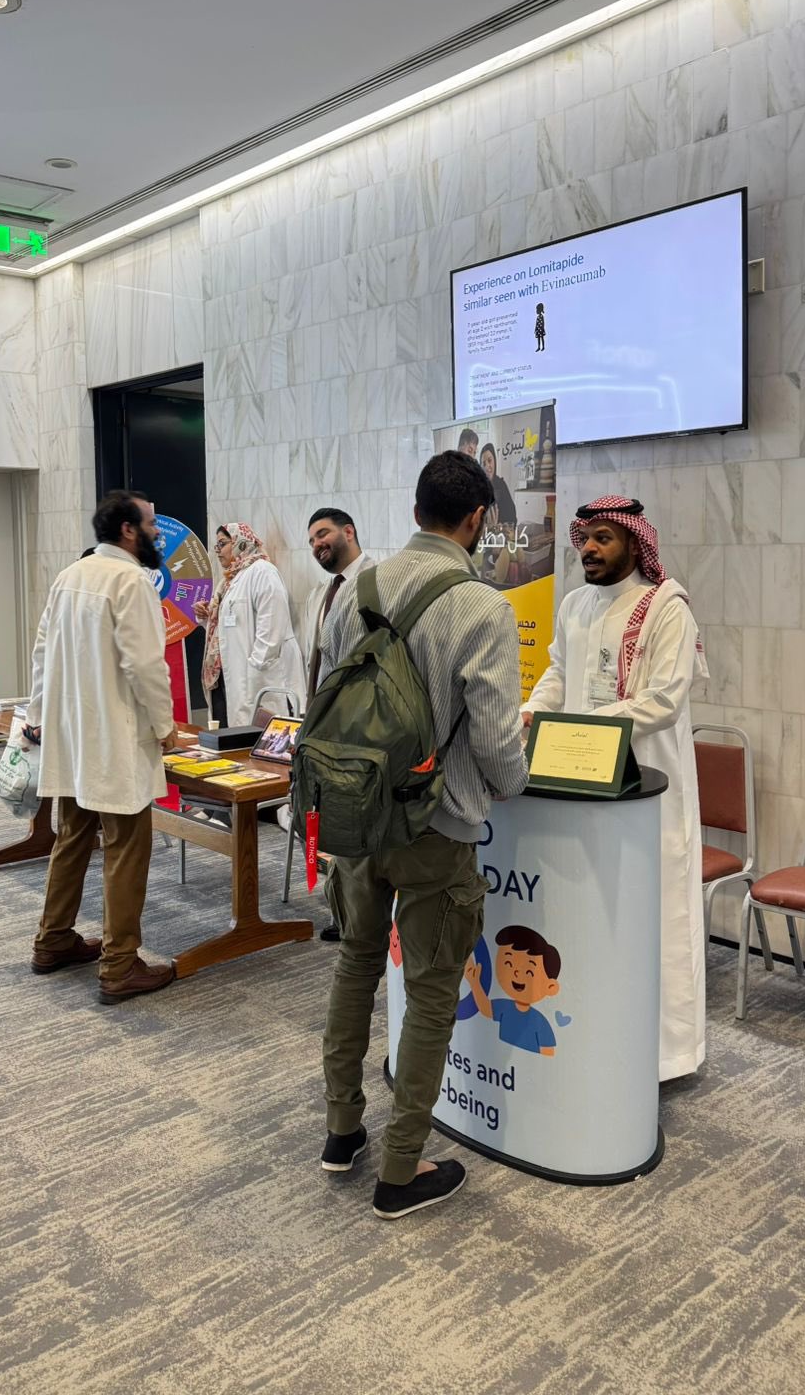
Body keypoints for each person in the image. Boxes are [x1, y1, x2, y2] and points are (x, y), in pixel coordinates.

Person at [317, 452, 526, 1219]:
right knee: (434, 991)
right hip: (437, 826)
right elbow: (499, 750)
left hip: (356, 817)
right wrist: (515, 779)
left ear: (413, 512)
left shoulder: (357, 589)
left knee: (355, 965)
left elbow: (328, 695)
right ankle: (401, 1169)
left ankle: (343, 1131)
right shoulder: (482, 608)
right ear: (477, 520)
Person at [523, 495, 707, 1081]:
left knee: (653, 913)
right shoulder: (575, 604)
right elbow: (558, 672)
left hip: (648, 788)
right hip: (581, 784)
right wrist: (533, 712)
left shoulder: (667, 607)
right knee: (593, 914)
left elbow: (664, 700)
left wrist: (582, 729)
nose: (590, 549)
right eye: (585, 539)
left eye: (604, 538)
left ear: (634, 542)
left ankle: (666, 1056)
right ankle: (599, 1045)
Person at [24, 492, 178, 1004]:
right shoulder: (130, 581)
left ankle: (53, 939)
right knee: (126, 849)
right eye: (152, 524)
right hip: (115, 740)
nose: (158, 534)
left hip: (72, 737)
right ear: (129, 530)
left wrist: (39, 717)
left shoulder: (71, 575)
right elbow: (145, 665)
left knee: (71, 837)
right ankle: (119, 965)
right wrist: (165, 726)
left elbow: (41, 652)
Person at [303, 507, 374, 940]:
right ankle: (338, 911)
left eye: (323, 533)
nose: (317, 544)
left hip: (358, 729)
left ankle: (356, 919)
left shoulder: (376, 583)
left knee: (355, 825)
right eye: (312, 540)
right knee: (327, 821)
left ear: (349, 531)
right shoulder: (321, 593)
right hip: (321, 726)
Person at [197, 523, 305, 727]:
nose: (218, 550)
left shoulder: (263, 571)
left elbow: (271, 631)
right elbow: (231, 629)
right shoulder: (229, 580)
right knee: (232, 737)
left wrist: (252, 673)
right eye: (216, 545)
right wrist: (207, 617)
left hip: (256, 679)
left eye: (223, 543)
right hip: (229, 678)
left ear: (241, 542)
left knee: (258, 736)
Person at [464, 925, 560, 1056]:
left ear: (551, 987)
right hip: (499, 1059)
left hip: (526, 1065)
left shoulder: (540, 1022)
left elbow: (548, 1054)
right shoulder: (505, 1007)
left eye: (529, 971)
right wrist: (474, 982)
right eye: (508, 963)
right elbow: (486, 1009)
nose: (516, 973)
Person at [479, 443, 517, 530]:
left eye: (489, 461)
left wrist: (502, 526)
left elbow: (512, 516)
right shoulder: (477, 488)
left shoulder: (501, 485)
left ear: (495, 461)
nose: (487, 467)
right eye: (483, 464)